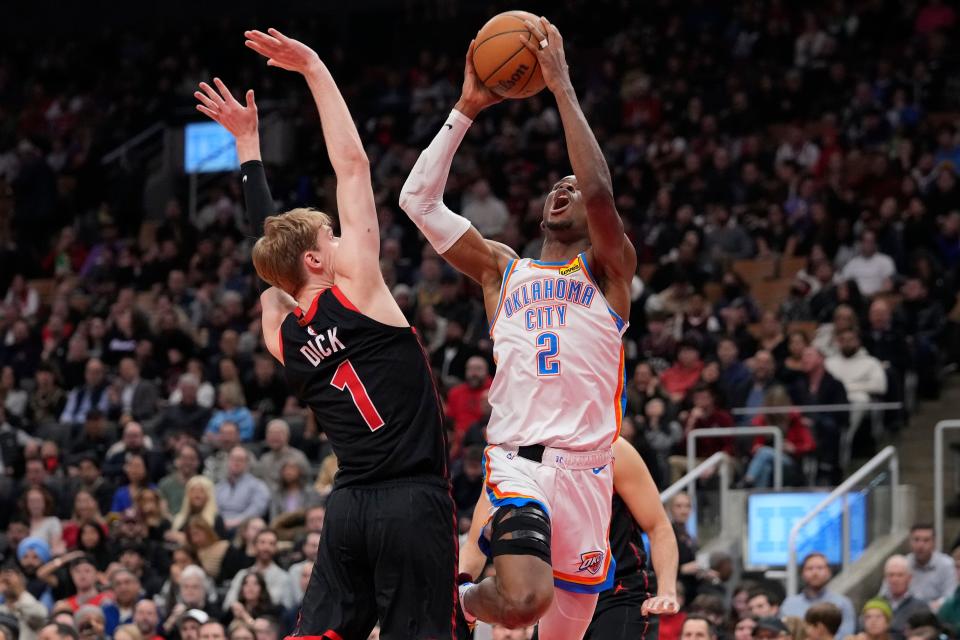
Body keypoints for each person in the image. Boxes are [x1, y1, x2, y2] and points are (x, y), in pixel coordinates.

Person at [399, 18, 677, 637]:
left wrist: (562, 87)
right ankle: (450, 600)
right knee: (523, 600)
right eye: (558, 183)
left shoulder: (608, 271)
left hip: (589, 476)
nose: (566, 187)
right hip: (517, 465)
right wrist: (466, 109)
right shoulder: (503, 270)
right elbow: (417, 202)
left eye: (574, 187)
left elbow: (602, 193)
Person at [196, 28, 455, 639]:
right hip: (411, 503)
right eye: (329, 240)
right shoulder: (361, 288)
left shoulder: (279, 332)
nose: (341, 241)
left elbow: (270, 254)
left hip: (347, 511)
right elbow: (353, 164)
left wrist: (248, 150)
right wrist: (313, 66)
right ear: (317, 262)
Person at [463, 438, 679, 639]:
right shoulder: (510, 456)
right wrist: (455, 593)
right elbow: (474, 545)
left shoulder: (612, 447)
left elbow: (658, 526)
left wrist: (667, 590)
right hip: (558, 593)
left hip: (619, 590)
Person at [781, 553, 856, 638]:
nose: (815, 572)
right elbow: (782, 634)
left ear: (828, 572)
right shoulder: (789, 604)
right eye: (810, 568)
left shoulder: (842, 603)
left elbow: (846, 635)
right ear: (802, 573)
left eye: (820, 568)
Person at [214, 447, 269, 531]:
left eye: (240, 460)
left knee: (256, 524)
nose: (236, 462)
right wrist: (221, 522)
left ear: (247, 463)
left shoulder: (258, 486)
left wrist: (235, 522)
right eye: (233, 459)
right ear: (228, 461)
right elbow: (214, 508)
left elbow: (257, 509)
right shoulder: (219, 486)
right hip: (220, 526)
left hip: (244, 527)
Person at [880, 555, 932, 640]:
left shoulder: (921, 607)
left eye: (900, 575)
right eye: (891, 575)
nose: (895, 580)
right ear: (885, 578)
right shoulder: (877, 604)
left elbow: (929, 632)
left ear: (909, 578)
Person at [905, 524, 957, 607]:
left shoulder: (946, 565)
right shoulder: (903, 564)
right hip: (907, 614)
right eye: (916, 540)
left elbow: (950, 596)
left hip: (936, 613)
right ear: (910, 542)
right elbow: (885, 595)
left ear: (934, 543)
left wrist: (930, 607)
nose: (920, 545)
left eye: (926, 540)